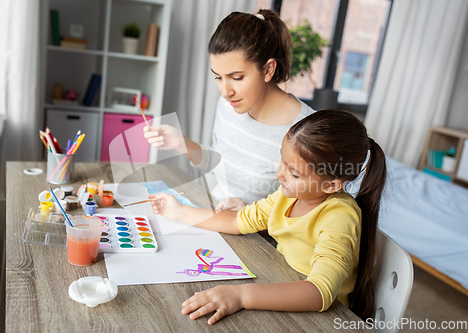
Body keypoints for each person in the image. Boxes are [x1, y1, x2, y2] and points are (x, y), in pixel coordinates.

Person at [149, 110, 387, 325]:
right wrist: (178, 211)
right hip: (281, 284)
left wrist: (241, 295)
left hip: (320, 319)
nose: (280, 174)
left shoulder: (339, 216)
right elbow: (236, 221)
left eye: (293, 173)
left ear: (332, 184)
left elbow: (319, 292)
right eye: (282, 161)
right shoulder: (286, 196)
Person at [144, 9, 315, 211]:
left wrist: (250, 212)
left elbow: (310, 212)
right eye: (218, 77)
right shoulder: (228, 106)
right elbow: (220, 163)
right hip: (215, 215)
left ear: (268, 70)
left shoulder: (308, 130)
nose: (225, 91)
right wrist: (180, 143)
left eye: (236, 77)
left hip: (259, 238)